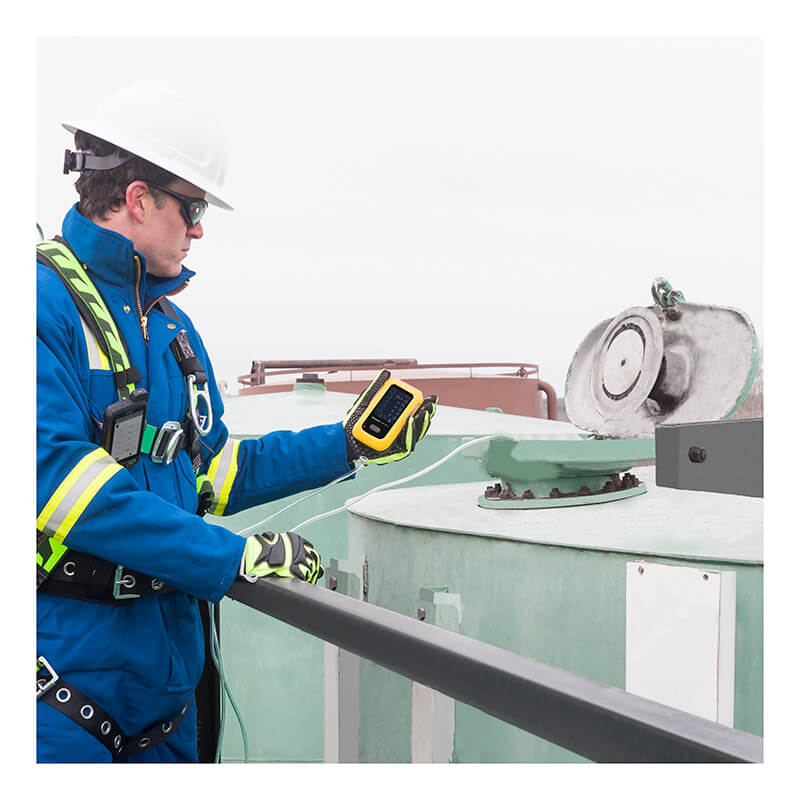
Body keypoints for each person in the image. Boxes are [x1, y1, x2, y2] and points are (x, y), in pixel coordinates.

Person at [36, 81, 436, 763]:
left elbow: (212, 471)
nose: (199, 229)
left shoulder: (173, 331)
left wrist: (346, 445)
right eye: (192, 208)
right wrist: (231, 558)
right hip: (61, 684)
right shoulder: (38, 305)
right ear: (139, 199)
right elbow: (61, 484)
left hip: (167, 688)